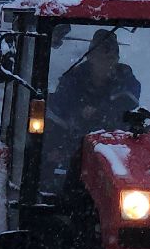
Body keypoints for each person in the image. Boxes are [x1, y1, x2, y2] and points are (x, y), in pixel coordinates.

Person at [40, 29, 141, 198]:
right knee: (54, 177)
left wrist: (102, 109)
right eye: (103, 55)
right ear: (91, 56)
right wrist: (77, 115)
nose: (108, 61)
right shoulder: (73, 79)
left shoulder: (124, 76)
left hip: (116, 145)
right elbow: (57, 111)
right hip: (74, 143)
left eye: (112, 57)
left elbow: (129, 98)